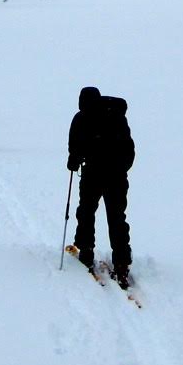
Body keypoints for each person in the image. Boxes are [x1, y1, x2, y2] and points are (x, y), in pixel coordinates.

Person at [67, 86, 135, 288]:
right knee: (116, 217)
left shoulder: (81, 118)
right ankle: (121, 261)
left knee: (87, 211)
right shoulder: (116, 116)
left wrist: (74, 161)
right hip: (114, 175)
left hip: (95, 173)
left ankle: (87, 250)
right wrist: (121, 168)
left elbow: (74, 147)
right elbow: (129, 148)